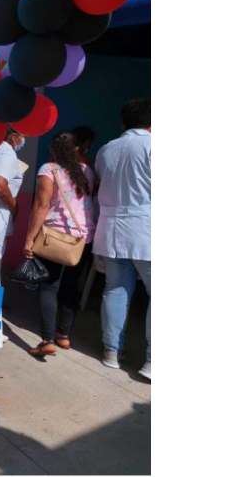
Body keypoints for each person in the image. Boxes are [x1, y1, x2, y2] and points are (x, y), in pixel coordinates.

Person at [22, 132, 97, 356]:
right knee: (71, 287)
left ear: (54, 150)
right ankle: (63, 335)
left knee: (48, 286)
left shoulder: (49, 169)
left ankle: (47, 340)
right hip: (83, 239)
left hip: (54, 236)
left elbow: (41, 205)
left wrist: (29, 237)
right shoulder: (87, 171)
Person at [93, 98, 151, 380]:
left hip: (112, 229)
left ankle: (111, 352)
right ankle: (152, 361)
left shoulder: (107, 149)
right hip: (147, 229)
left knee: (115, 289)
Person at [0, 127, 25, 258]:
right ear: (13, 137)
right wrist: (14, 206)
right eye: (22, 136)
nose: (23, 141)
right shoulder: (7, 152)